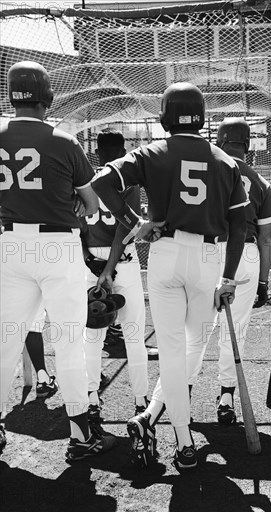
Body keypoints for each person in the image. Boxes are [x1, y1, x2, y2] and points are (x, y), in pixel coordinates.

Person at [91, 82, 249, 470]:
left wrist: (136, 223)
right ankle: (166, 427)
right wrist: (228, 278)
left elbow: (101, 183)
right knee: (194, 346)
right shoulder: (226, 161)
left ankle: (179, 437)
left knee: (175, 351)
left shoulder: (152, 152)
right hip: (208, 256)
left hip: (163, 252)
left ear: (164, 116)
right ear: (203, 117)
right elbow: (240, 225)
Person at [0, 61, 117, 460]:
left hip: (11, 243)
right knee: (68, 341)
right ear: (47, 97)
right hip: (58, 245)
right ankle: (81, 435)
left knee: (5, 341)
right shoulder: (65, 140)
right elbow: (90, 205)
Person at [81, 128, 150, 432]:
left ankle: (92, 399)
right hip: (122, 260)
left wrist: (90, 263)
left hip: (90, 264)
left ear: (97, 153)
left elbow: (76, 226)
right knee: (134, 335)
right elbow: (127, 226)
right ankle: (140, 402)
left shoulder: (84, 181)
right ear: (123, 150)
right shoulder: (126, 178)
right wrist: (109, 269)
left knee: (92, 336)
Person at [213, 118, 271, 423]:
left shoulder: (210, 170)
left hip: (207, 251)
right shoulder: (261, 181)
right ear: (248, 146)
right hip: (247, 256)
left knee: (192, 328)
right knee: (234, 329)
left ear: (220, 141)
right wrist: (264, 281)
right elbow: (267, 238)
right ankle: (227, 394)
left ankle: (176, 393)